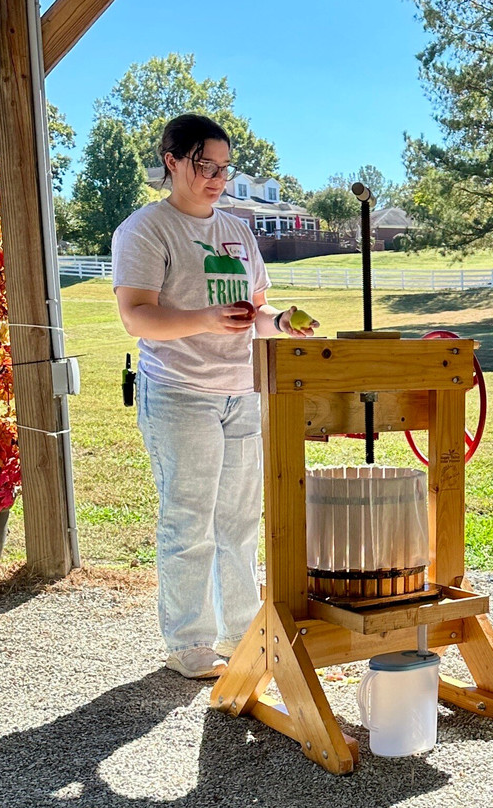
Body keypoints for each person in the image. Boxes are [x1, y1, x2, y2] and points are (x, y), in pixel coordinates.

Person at [112, 114, 318, 680]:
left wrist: (282, 322)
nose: (218, 179)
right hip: (179, 393)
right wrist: (206, 318)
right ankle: (189, 642)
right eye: (206, 166)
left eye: (225, 169)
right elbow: (137, 317)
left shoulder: (237, 230)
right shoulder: (146, 229)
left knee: (240, 521)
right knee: (189, 520)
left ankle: (240, 633)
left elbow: (254, 311)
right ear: (172, 161)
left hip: (241, 392)